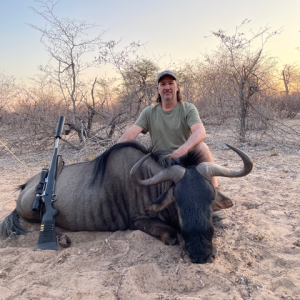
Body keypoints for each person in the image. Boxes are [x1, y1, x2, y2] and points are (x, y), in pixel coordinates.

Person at [118, 70, 219, 189]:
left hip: (185, 158)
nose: (167, 87)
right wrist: (112, 153)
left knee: (202, 147)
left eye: (171, 83)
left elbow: (200, 132)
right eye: (163, 84)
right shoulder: (149, 112)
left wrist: (183, 150)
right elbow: (129, 136)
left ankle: (215, 191)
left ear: (177, 87)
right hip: (159, 162)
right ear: (158, 89)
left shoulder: (188, 108)